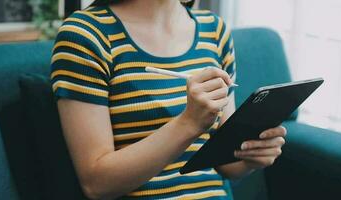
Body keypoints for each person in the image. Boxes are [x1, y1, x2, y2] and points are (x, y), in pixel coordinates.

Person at [50, 0, 286, 199]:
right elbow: (97, 183)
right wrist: (189, 123)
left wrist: (251, 158)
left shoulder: (214, 31)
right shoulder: (86, 35)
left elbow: (226, 164)